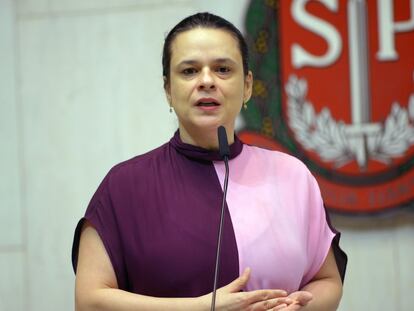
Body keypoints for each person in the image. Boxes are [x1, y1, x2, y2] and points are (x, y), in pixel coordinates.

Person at [72, 12, 347, 311]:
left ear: (247, 86)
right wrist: (204, 308)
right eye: (189, 71)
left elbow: (328, 281)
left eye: (223, 69)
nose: (206, 81)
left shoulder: (292, 176)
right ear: (168, 90)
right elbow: (90, 301)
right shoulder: (124, 186)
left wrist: (301, 307)